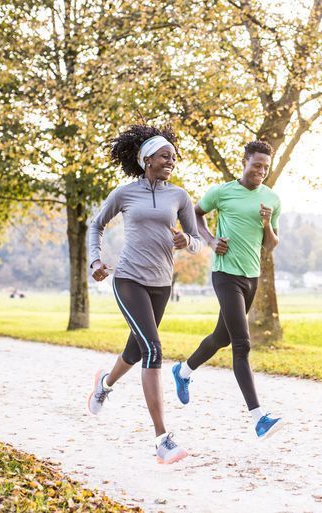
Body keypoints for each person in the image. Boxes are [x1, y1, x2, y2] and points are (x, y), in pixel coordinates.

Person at [86, 124, 201, 464]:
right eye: (165, 156)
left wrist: (186, 241)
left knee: (136, 350)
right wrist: (95, 260)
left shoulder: (179, 196)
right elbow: (96, 225)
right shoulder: (124, 194)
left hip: (161, 283)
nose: (171, 162)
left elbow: (196, 242)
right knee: (153, 349)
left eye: (174, 158)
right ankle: (162, 440)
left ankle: (104, 383)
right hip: (129, 279)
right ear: (147, 159)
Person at [171, 140, 283, 439]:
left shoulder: (272, 199)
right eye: (256, 165)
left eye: (265, 167)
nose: (261, 171)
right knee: (241, 344)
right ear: (244, 162)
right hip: (225, 274)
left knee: (221, 337)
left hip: (251, 277)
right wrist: (209, 240)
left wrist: (267, 223)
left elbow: (271, 245)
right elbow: (194, 213)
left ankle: (183, 371)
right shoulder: (222, 192)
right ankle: (259, 419)